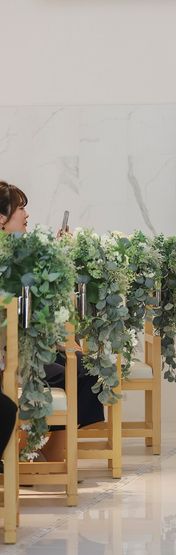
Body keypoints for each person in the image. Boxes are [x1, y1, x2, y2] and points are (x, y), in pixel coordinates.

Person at [0, 181, 104, 461]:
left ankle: (51, 451)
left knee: (86, 367)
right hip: (15, 354)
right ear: (2, 219)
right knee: (81, 372)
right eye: (20, 208)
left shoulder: (18, 253)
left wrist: (58, 254)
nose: (26, 214)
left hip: (31, 346)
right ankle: (48, 454)